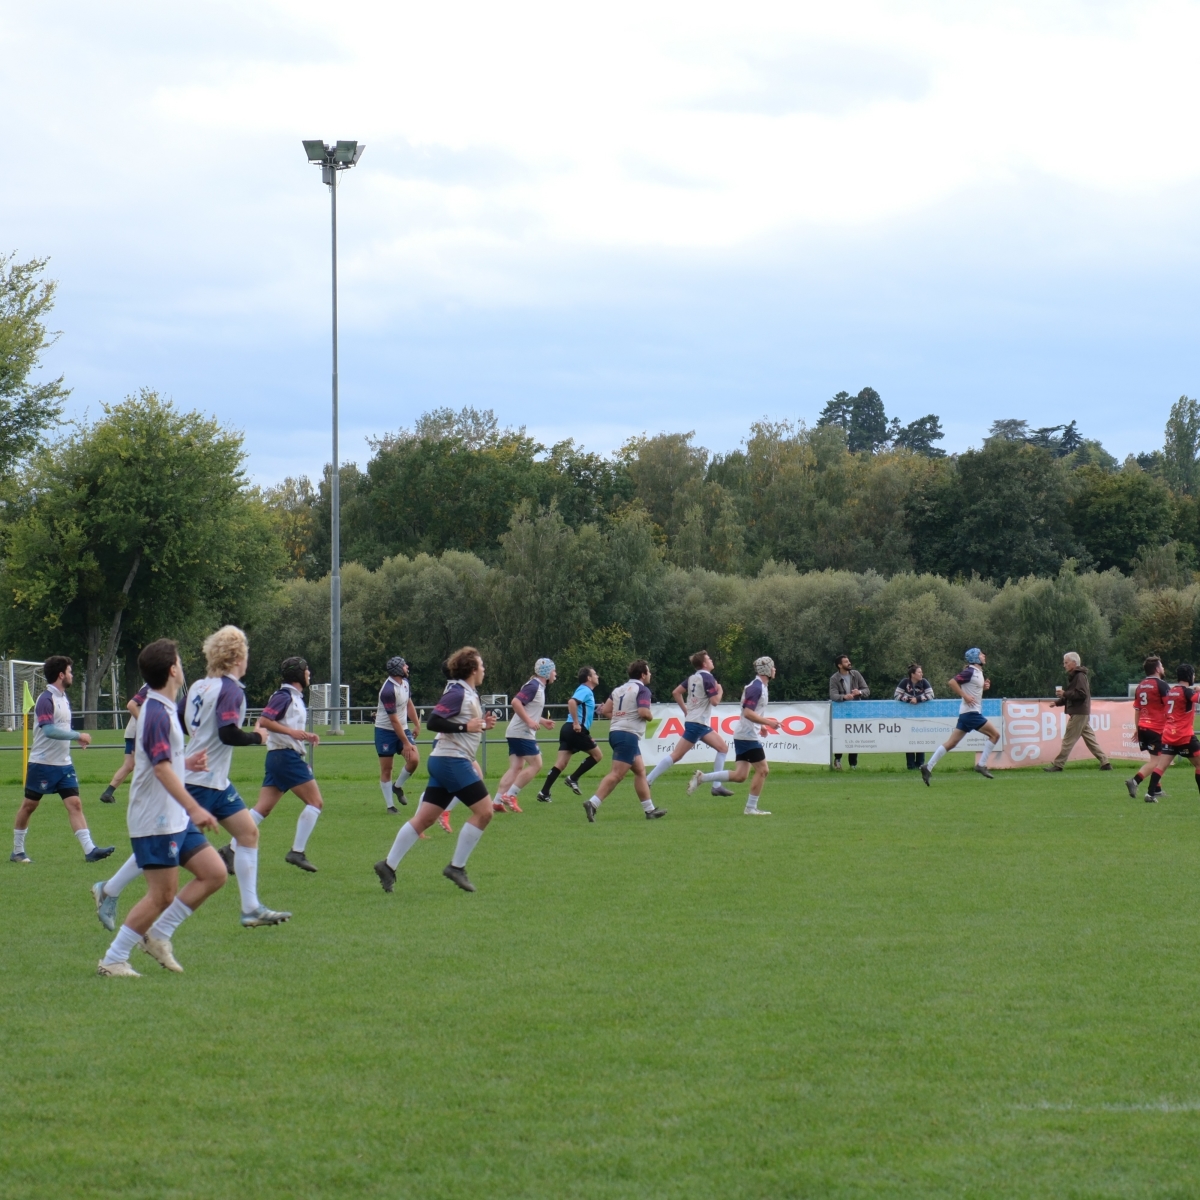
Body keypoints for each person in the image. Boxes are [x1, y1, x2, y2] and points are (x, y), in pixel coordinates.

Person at [93, 627, 290, 931]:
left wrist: (200, 738)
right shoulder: (232, 691)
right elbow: (228, 734)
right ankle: (110, 889)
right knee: (164, 843)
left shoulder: (199, 685)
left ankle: (251, 908)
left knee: (248, 833)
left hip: (216, 780)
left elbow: (182, 720)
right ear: (237, 656)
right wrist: (258, 737)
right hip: (200, 781)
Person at [96, 638, 226, 977]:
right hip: (155, 818)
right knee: (162, 895)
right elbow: (161, 770)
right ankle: (113, 959)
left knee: (214, 873)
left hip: (174, 816)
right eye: (179, 661)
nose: (182, 665)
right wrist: (195, 808)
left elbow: (165, 761)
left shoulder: (164, 708)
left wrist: (187, 763)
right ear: (172, 670)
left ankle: (158, 934)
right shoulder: (155, 713)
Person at [374, 646, 498, 894]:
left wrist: (482, 725)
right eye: (482, 665)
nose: (484, 669)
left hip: (445, 760)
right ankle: (456, 867)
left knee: (425, 818)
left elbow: (461, 723)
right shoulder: (457, 692)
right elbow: (434, 721)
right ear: (472, 669)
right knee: (485, 812)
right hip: (452, 761)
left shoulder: (468, 693)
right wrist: (466, 727)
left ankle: (388, 865)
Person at [11, 655, 113, 865]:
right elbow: (49, 731)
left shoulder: (63, 698)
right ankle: (17, 851)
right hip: (42, 764)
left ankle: (90, 850)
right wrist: (78, 735)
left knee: (75, 803)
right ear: (61, 675)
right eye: (69, 671)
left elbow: (62, 728)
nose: (71, 675)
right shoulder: (45, 699)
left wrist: (75, 739)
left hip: (63, 764)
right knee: (29, 806)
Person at [228, 657, 323, 872]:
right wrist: (292, 733)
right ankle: (297, 852)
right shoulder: (284, 696)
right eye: (306, 670)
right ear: (298, 674)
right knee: (315, 802)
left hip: (278, 757)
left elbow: (284, 725)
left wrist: (304, 735)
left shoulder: (293, 697)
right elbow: (264, 721)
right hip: (285, 757)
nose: (309, 673)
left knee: (262, 809)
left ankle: (230, 850)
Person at [687, 656, 781, 814]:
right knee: (763, 770)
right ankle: (750, 808)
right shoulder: (756, 687)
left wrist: (762, 726)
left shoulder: (760, 686)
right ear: (766, 670)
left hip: (744, 734)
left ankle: (702, 778)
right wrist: (769, 723)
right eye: (772, 667)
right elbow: (748, 713)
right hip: (748, 736)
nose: (774, 669)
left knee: (740, 775)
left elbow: (752, 712)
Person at [583, 659, 666, 821]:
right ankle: (593, 803)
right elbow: (643, 712)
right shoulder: (642, 690)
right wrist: (651, 717)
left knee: (640, 771)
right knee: (617, 774)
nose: (650, 674)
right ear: (643, 675)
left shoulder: (619, 689)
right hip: (628, 735)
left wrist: (621, 718)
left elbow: (606, 710)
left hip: (616, 733)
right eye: (648, 672)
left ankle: (649, 810)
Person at [645, 651, 734, 795]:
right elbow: (715, 701)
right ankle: (647, 780)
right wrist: (720, 690)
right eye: (709, 659)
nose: (711, 660)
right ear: (704, 664)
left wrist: (686, 710)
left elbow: (676, 692)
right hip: (697, 724)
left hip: (698, 723)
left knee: (723, 748)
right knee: (676, 755)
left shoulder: (693, 677)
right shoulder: (708, 678)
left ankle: (717, 786)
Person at [920, 648, 1000, 784]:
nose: (984, 655)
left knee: (951, 743)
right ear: (975, 658)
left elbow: (972, 689)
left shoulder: (977, 672)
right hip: (971, 714)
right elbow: (952, 682)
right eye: (981, 654)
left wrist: (983, 688)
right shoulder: (970, 671)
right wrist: (965, 696)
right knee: (995, 735)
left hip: (966, 714)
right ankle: (981, 765)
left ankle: (928, 766)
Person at [496, 658, 556, 812]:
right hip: (521, 733)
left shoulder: (538, 686)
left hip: (515, 732)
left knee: (516, 767)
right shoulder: (534, 686)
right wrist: (529, 721)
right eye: (553, 671)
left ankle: (496, 801)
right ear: (547, 672)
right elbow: (515, 703)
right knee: (536, 764)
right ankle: (510, 795)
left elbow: (528, 709)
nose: (555, 674)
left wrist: (542, 721)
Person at [537, 666, 603, 802]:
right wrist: (576, 723)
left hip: (567, 729)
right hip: (576, 730)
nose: (597, 676)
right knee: (597, 755)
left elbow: (581, 709)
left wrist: (596, 711)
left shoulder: (584, 691)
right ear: (589, 678)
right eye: (595, 674)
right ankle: (573, 778)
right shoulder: (585, 690)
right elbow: (572, 702)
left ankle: (544, 793)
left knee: (560, 763)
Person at [1044, 651, 1111, 772]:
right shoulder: (1078, 676)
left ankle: (1058, 764)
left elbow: (1081, 694)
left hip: (1079, 713)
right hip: (1082, 713)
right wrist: (1057, 702)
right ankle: (1105, 762)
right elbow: (1074, 695)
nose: (1064, 665)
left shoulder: (1079, 676)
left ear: (1074, 663)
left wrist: (1064, 694)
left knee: (1068, 739)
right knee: (1090, 740)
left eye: (1066, 663)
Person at [1140, 664, 1200, 800]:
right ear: (1189, 676)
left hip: (1169, 735)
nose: (1194, 677)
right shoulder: (1187, 691)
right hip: (1184, 735)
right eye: (1193, 674)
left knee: (1161, 766)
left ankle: (1150, 794)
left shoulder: (1171, 691)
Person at [375, 655, 420, 813]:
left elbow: (409, 703)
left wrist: (417, 724)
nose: (407, 667)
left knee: (414, 759)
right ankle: (390, 806)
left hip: (403, 728)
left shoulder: (405, 683)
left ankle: (397, 786)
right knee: (387, 769)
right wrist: (406, 743)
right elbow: (393, 721)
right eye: (404, 665)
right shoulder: (388, 691)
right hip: (385, 731)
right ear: (398, 670)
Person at [1126, 655, 1170, 801]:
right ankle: (1134, 781)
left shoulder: (1140, 686)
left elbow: (1137, 710)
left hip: (1143, 727)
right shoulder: (1162, 685)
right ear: (1157, 669)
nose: (1163, 668)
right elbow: (1170, 707)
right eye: (1161, 665)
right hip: (1156, 728)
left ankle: (1157, 789)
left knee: (1155, 758)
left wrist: (1137, 729)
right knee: (1158, 762)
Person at [99, 684, 149, 804]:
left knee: (129, 765)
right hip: (138, 733)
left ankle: (107, 793)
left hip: (133, 732)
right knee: (146, 765)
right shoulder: (150, 687)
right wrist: (144, 722)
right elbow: (131, 705)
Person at [830, 654, 869, 769]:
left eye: (849, 661)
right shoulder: (834, 678)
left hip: (855, 711)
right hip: (841, 713)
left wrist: (859, 692)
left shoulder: (856, 674)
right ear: (839, 665)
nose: (849, 663)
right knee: (840, 736)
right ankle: (838, 759)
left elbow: (867, 690)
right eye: (846, 662)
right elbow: (833, 695)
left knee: (855, 737)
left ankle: (853, 764)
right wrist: (844, 697)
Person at [895, 664, 935, 770]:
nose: (922, 674)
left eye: (921, 672)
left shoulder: (924, 682)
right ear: (912, 674)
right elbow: (897, 695)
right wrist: (909, 700)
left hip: (922, 716)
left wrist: (918, 699)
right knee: (909, 739)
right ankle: (910, 766)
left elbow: (931, 695)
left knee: (921, 739)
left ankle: (920, 764)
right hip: (907, 716)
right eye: (919, 672)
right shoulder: (904, 682)